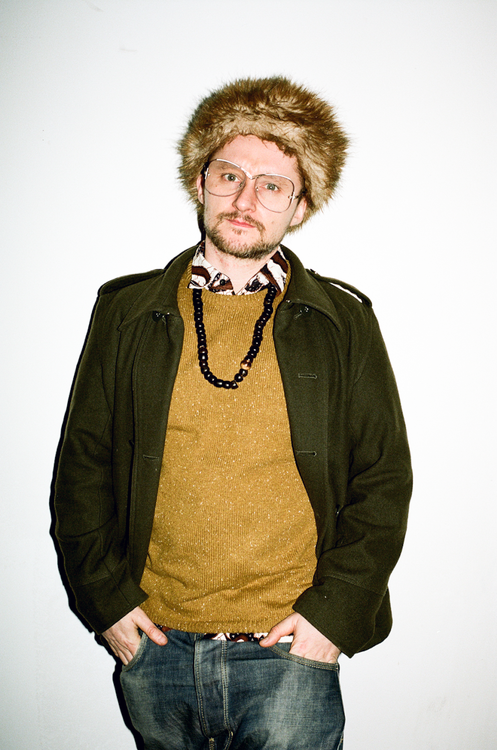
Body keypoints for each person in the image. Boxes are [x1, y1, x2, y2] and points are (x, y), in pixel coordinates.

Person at [54, 76, 412, 750]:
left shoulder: (342, 322)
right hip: (156, 648)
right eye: (230, 176)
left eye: (273, 186)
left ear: (300, 206)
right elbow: (82, 470)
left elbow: (383, 480)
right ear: (200, 181)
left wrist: (331, 619)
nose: (246, 200)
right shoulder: (126, 313)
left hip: (288, 651)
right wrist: (107, 604)